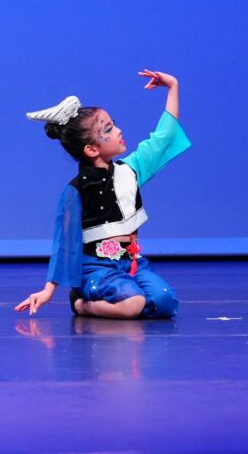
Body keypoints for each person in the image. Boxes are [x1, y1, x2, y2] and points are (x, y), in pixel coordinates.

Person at [15, 70, 188, 319]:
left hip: (131, 263)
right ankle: (81, 303)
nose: (118, 130)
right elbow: (64, 243)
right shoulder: (76, 190)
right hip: (95, 268)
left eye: (113, 123)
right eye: (108, 129)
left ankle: (127, 298)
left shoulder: (131, 170)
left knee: (166, 301)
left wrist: (173, 87)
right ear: (91, 149)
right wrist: (48, 290)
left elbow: (163, 138)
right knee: (134, 303)